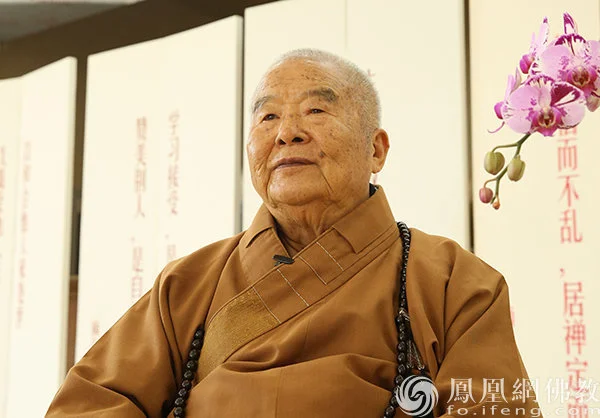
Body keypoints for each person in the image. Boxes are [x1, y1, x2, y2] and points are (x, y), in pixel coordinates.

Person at [47, 49, 541, 417]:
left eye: (316, 111)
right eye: (268, 117)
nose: (287, 132)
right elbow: (89, 404)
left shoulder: (455, 283)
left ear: (376, 150)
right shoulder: (186, 285)